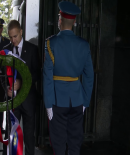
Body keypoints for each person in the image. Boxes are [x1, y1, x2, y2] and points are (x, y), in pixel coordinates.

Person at [43, 1, 94, 155]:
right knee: (75, 142)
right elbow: (89, 75)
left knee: (58, 144)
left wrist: (48, 104)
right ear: (75, 22)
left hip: (57, 101)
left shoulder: (51, 43)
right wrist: (85, 100)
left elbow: (47, 77)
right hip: (77, 100)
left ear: (60, 19)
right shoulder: (84, 45)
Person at [2, 20, 40, 155]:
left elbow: (37, 74)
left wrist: (21, 83)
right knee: (11, 135)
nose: (13, 40)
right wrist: (7, 87)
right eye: (10, 37)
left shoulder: (32, 49)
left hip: (28, 100)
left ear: (21, 32)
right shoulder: (5, 51)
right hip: (12, 101)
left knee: (29, 136)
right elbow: (1, 75)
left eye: (15, 36)